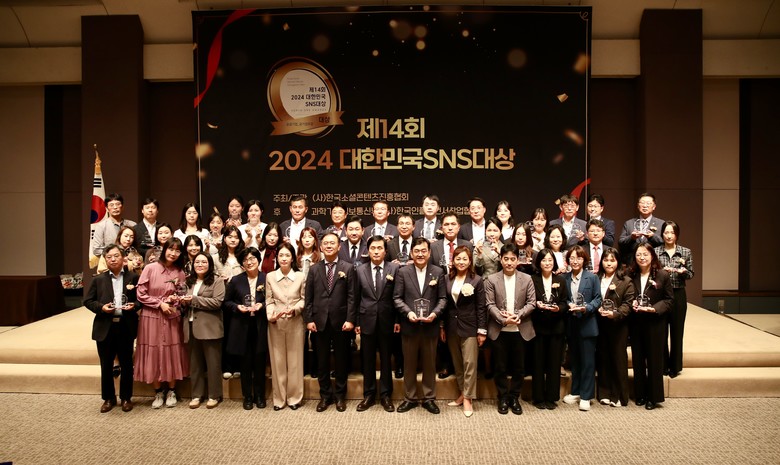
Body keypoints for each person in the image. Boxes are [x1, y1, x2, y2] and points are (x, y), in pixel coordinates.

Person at [304, 232, 357, 412]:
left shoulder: (348, 268)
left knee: (341, 361)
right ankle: (325, 396)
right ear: (320, 247)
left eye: (332, 243)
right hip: (319, 322)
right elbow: (308, 297)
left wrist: (350, 319)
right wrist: (309, 319)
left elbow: (352, 297)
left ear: (339, 246)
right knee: (322, 361)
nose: (328, 246)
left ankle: (340, 396)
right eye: (325, 243)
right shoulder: (314, 269)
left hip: (341, 322)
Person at [393, 237, 447, 414]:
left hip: (431, 326)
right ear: (411, 253)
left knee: (430, 364)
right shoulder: (403, 272)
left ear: (429, 253)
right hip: (410, 326)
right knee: (409, 364)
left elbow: (442, 298)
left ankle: (429, 398)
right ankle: (410, 398)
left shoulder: (438, 272)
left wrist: (435, 314)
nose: (420, 254)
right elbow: (397, 298)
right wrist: (408, 312)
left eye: (424, 251)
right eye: (416, 251)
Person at [84, 245, 139, 413]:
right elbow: (88, 301)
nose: (113, 259)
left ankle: (126, 398)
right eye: (109, 257)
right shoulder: (98, 279)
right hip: (105, 327)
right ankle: (108, 398)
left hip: (125, 325)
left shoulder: (133, 278)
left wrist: (134, 306)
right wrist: (101, 308)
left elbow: (141, 300)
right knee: (106, 364)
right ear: (105, 260)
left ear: (123, 258)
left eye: (116, 256)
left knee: (127, 364)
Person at [135, 238, 189, 409]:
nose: (173, 253)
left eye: (177, 250)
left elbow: (182, 295)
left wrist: (175, 300)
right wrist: (159, 303)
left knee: (171, 350)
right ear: (165, 249)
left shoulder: (179, 272)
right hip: (151, 315)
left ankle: (171, 390)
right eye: (171, 249)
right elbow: (141, 293)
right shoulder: (150, 268)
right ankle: (158, 391)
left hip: (171, 315)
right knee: (153, 350)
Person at [484, 243, 536, 415]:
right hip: (499, 330)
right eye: (506, 259)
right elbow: (490, 304)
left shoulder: (526, 279)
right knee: (500, 367)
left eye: (512, 259)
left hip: (520, 329)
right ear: (500, 259)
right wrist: (503, 319)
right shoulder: (492, 279)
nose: (509, 262)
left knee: (519, 368)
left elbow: (531, 303)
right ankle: (503, 397)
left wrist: (518, 315)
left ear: (517, 260)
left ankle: (514, 397)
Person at [354, 235, 400, 412]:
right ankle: (369, 395)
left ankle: (386, 395)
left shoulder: (394, 269)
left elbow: (398, 296)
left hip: (388, 320)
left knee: (386, 360)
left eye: (380, 248)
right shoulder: (360, 270)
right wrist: (357, 321)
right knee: (368, 359)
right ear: (368, 251)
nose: (376, 251)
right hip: (366, 319)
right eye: (373, 248)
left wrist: (397, 320)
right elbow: (356, 298)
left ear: (385, 251)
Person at [441, 246, 486, 417]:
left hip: (470, 326)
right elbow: (444, 305)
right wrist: (442, 326)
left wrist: (481, 331)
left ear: (470, 261)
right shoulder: (446, 279)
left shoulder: (477, 280)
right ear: (453, 261)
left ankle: (468, 398)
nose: (461, 262)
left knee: (470, 364)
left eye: (464, 259)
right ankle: (462, 393)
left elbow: (481, 307)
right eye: (458, 259)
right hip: (451, 326)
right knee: (458, 364)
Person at [629, 243, 673, 410]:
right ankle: (640, 394)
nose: (642, 258)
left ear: (652, 256)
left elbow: (669, 300)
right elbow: (627, 294)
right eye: (639, 254)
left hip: (655, 323)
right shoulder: (631, 274)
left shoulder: (662, 275)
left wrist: (654, 309)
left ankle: (653, 397)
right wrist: (631, 302)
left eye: (645, 254)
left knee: (654, 360)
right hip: (636, 322)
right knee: (638, 359)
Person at [225, 247, 269, 410]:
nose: (249, 262)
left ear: (258, 260)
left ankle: (260, 395)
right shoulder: (236, 280)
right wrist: (237, 307)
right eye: (245, 260)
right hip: (242, 325)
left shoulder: (266, 278)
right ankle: (247, 396)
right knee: (245, 363)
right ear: (241, 264)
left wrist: (262, 305)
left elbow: (273, 300)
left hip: (260, 325)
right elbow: (226, 302)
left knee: (259, 362)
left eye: (252, 258)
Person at [181, 252, 225, 409]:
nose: (200, 264)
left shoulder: (217, 281)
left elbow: (217, 302)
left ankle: (214, 395)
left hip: (210, 328)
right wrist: (180, 301)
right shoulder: (188, 282)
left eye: (204, 262)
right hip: (190, 325)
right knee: (195, 364)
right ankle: (196, 395)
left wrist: (193, 299)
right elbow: (184, 302)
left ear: (210, 264)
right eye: (197, 262)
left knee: (213, 364)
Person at [266, 242, 306, 411]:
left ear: (292, 258)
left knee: (295, 361)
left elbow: (304, 299)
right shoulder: (270, 277)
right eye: (281, 255)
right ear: (277, 258)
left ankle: (294, 398)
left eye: (287, 255)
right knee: (278, 362)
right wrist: (271, 315)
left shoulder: (300, 276)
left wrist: (295, 309)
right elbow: (268, 300)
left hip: (295, 322)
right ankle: (279, 398)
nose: (283, 258)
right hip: (276, 323)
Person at [561, 245, 602, 412]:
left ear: (584, 260)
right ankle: (576, 391)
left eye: (578, 258)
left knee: (588, 362)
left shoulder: (592, 278)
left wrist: (587, 308)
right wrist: (568, 304)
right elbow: (563, 298)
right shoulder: (564, 278)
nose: (575, 261)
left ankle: (586, 395)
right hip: (571, 324)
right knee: (575, 360)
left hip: (587, 323)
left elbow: (598, 299)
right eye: (572, 258)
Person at [595, 247, 635, 407]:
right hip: (600, 323)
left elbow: (628, 304)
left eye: (612, 260)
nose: (609, 263)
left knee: (618, 359)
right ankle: (604, 393)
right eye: (606, 260)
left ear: (618, 262)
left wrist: (615, 313)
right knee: (603, 358)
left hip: (618, 325)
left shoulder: (626, 281)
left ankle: (619, 396)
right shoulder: (596, 278)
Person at [530, 248, 569, 410]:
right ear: (539, 262)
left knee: (554, 363)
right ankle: (538, 397)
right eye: (544, 260)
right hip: (538, 327)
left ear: (554, 262)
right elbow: (528, 300)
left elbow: (565, 302)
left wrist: (558, 308)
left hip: (556, 327)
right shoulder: (532, 279)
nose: (547, 263)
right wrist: (536, 304)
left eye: (550, 260)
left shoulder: (561, 280)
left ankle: (552, 397)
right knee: (538, 363)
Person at [656, 221, 694, 378]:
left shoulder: (685, 252)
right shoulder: (656, 251)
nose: (669, 236)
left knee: (677, 331)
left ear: (677, 234)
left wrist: (683, 272)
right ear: (662, 234)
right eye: (666, 232)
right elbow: (652, 272)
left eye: (672, 232)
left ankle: (675, 366)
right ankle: (663, 365)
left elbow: (691, 274)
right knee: (661, 331)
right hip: (661, 294)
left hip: (678, 293)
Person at [213, 225, 245, 380]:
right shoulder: (216, 257)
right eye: (230, 237)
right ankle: (227, 366)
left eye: (236, 237)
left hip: (240, 300)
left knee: (238, 333)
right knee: (225, 333)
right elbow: (210, 277)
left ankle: (239, 366)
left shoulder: (243, 256)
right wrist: (219, 279)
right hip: (223, 300)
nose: (233, 240)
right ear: (224, 238)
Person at [90, 193, 136, 267]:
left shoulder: (132, 225)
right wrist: (115, 254)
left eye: (118, 204)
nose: (115, 207)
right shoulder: (101, 226)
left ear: (122, 207)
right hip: (109, 265)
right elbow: (96, 249)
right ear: (107, 209)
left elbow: (136, 245)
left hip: (130, 264)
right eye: (111, 205)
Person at [618, 193, 665, 263]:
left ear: (654, 206)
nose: (645, 205)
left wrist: (652, 237)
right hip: (632, 262)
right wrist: (631, 238)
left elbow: (665, 243)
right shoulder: (629, 223)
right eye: (642, 203)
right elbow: (621, 243)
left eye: (648, 203)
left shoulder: (661, 223)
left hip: (653, 262)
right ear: (638, 206)